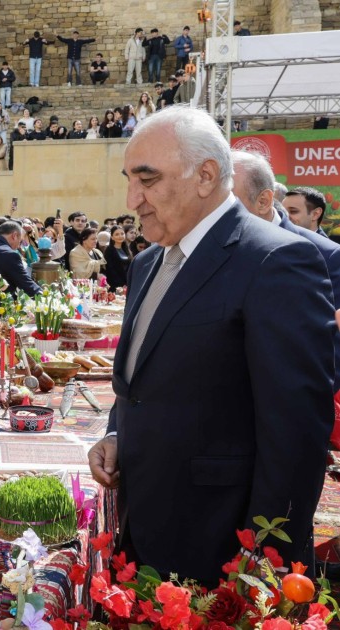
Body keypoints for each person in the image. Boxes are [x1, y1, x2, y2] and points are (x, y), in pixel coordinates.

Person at [88, 106, 335, 584]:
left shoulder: (278, 261)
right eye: (129, 179)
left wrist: (263, 565)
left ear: (205, 176)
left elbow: (296, 435)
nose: (131, 198)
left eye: (148, 179)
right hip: (145, 528)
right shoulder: (147, 264)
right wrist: (118, 432)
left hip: (222, 552)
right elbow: (140, 376)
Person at [231, 150, 340, 389]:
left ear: (263, 201)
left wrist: (309, 401)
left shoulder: (327, 255)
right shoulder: (217, 247)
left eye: (229, 200)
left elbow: (331, 345)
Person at [0, 220, 40, 296]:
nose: (19, 246)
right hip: (2, 303)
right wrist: (47, 297)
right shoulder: (10, 254)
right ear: (14, 236)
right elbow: (26, 284)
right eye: (20, 241)